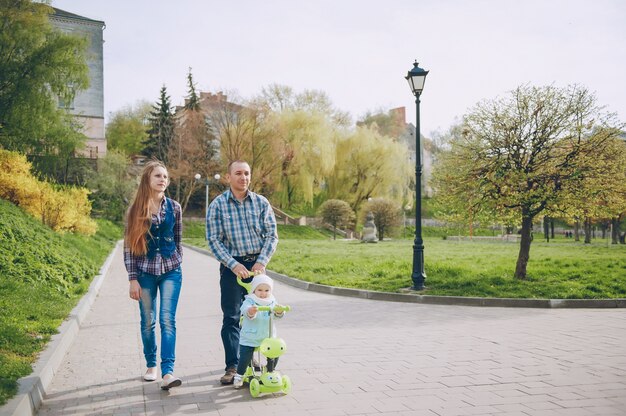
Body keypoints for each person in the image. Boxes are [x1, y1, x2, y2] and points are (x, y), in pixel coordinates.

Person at [206, 160, 278, 385]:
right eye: (238, 173)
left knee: (259, 315)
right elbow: (214, 239)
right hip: (232, 267)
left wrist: (261, 261)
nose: (243, 177)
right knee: (232, 316)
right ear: (229, 177)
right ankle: (233, 365)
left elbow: (272, 235)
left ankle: (254, 359)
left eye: (247, 173)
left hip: (258, 267)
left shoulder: (261, 203)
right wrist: (232, 264)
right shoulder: (218, 205)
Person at [123, 161, 183, 391]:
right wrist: (132, 278)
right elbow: (129, 247)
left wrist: (177, 261)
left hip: (171, 271)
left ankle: (168, 372)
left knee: (168, 320)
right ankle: (151, 365)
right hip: (145, 273)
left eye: (165, 177)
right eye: (158, 176)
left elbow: (178, 240)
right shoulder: (135, 210)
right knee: (148, 321)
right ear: (147, 179)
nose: (163, 180)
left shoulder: (175, 208)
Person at [234, 274, 286, 389]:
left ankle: (269, 369)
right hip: (251, 336)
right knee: (245, 356)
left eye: (267, 290)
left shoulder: (272, 301)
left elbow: (278, 316)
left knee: (275, 352)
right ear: (254, 290)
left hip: (268, 337)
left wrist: (279, 311)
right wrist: (251, 311)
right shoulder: (250, 300)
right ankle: (239, 375)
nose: (263, 293)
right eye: (260, 290)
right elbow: (244, 310)